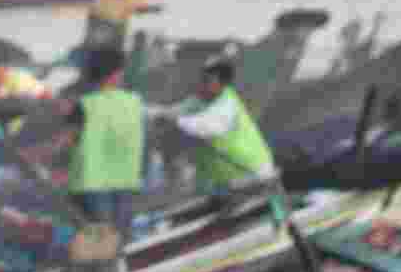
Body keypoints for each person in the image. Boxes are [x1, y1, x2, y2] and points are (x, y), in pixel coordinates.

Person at [65, 42, 143, 238]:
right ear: (117, 74)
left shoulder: (83, 105)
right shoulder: (135, 103)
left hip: (89, 188)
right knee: (119, 238)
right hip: (126, 183)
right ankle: (122, 266)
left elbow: (66, 143)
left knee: (95, 241)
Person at [164, 55, 276, 191]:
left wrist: (177, 121)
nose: (202, 83)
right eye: (202, 78)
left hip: (253, 175)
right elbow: (172, 111)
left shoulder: (227, 104)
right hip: (228, 179)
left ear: (222, 82)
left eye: (208, 79)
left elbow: (210, 127)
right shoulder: (200, 101)